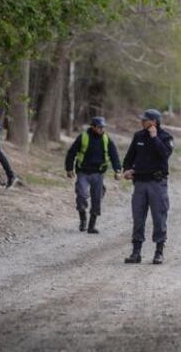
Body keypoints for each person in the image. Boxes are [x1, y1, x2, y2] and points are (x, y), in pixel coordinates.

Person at [122, 109, 174, 265]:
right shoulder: (138, 136)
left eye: (145, 120)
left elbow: (165, 155)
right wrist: (127, 169)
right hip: (139, 183)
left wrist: (154, 137)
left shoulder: (165, 137)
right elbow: (129, 157)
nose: (142, 122)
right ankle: (136, 252)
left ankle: (159, 252)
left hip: (157, 183)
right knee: (138, 218)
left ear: (154, 121)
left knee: (159, 217)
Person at [64, 117, 122, 233]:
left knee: (97, 198)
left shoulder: (106, 139)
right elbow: (71, 152)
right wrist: (69, 168)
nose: (102, 129)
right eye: (99, 127)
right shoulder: (83, 137)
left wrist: (117, 170)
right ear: (93, 127)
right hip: (83, 172)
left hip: (98, 173)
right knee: (81, 195)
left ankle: (91, 226)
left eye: (103, 127)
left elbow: (114, 154)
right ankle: (83, 220)